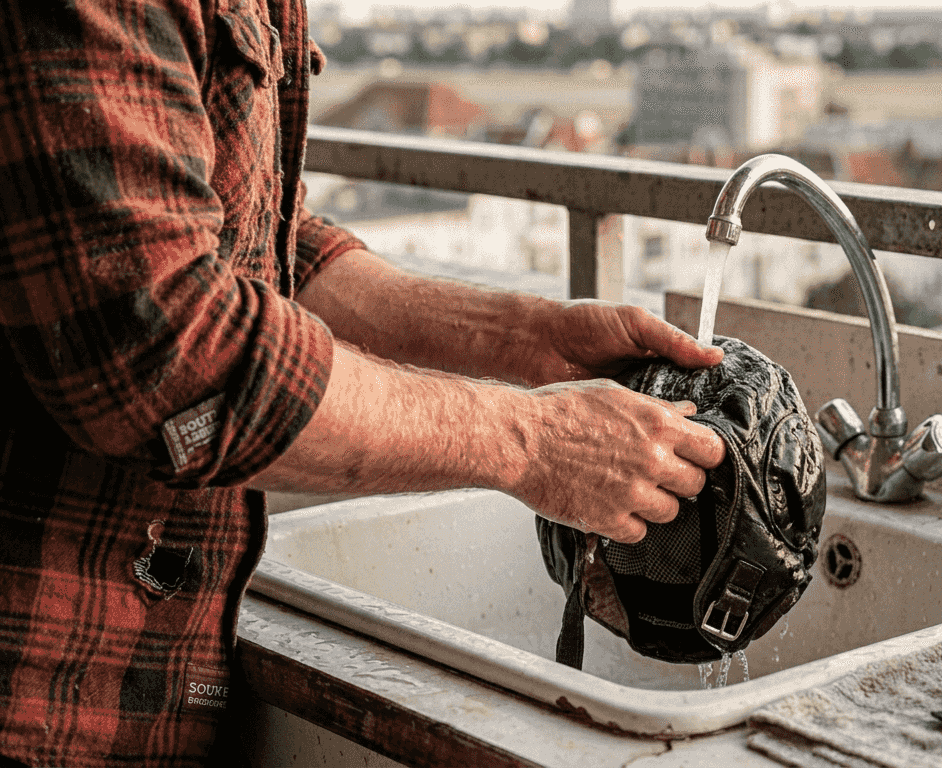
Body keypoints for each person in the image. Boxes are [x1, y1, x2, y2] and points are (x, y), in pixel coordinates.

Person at [0, 1, 725, 766]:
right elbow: (175, 357)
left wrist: (526, 337)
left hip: (136, 693)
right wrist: (533, 441)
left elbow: (268, 246)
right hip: (35, 696)